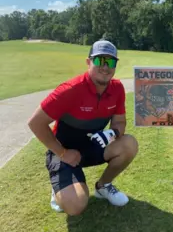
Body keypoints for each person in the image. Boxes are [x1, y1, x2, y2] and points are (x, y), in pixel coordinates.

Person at [28, 39, 139, 216]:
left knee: (129, 143)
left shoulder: (117, 88)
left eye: (110, 61)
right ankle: (59, 188)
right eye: (99, 60)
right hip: (63, 152)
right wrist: (63, 153)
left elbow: (119, 122)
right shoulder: (70, 89)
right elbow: (35, 122)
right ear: (88, 62)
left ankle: (103, 186)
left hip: (92, 147)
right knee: (76, 206)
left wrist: (112, 133)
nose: (105, 67)